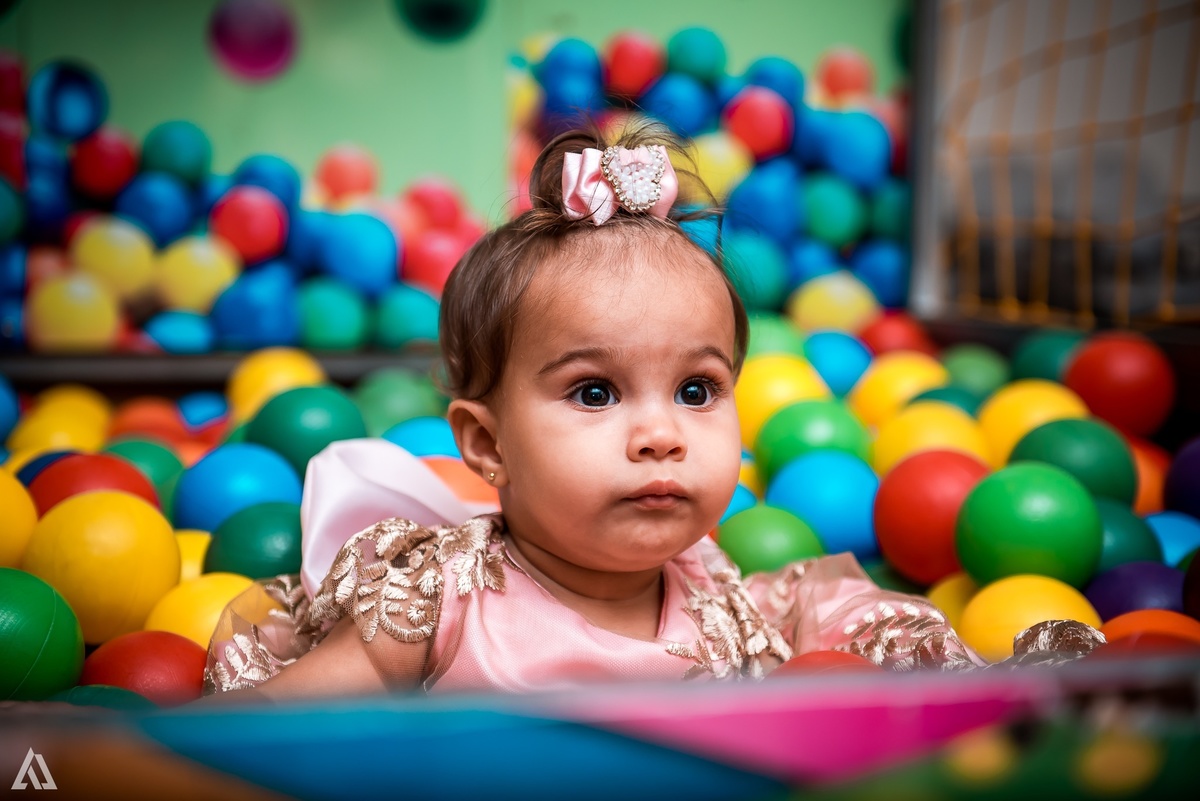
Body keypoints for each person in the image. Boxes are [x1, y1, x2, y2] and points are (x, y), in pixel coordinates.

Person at [201, 123, 1099, 703]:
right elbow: (262, 733)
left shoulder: (720, 603)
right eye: (595, 392)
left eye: (698, 389)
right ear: (487, 443)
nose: (662, 432)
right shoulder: (437, 603)